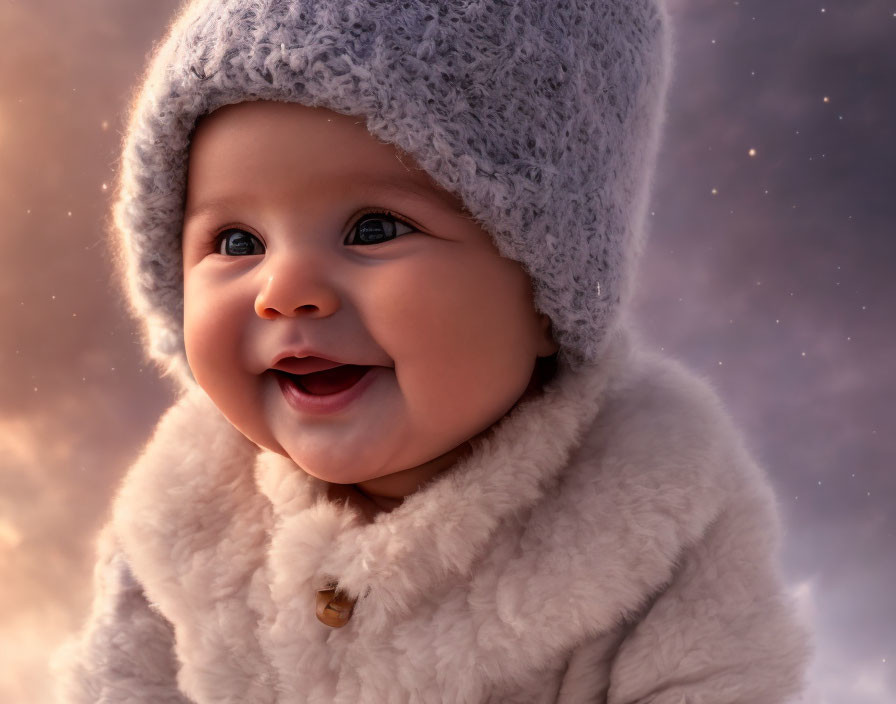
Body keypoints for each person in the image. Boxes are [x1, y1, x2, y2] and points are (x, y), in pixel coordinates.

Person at [52, 0, 814, 702]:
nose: (283, 290)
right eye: (236, 242)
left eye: (374, 229)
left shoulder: (657, 522)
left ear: (550, 289)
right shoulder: (184, 515)